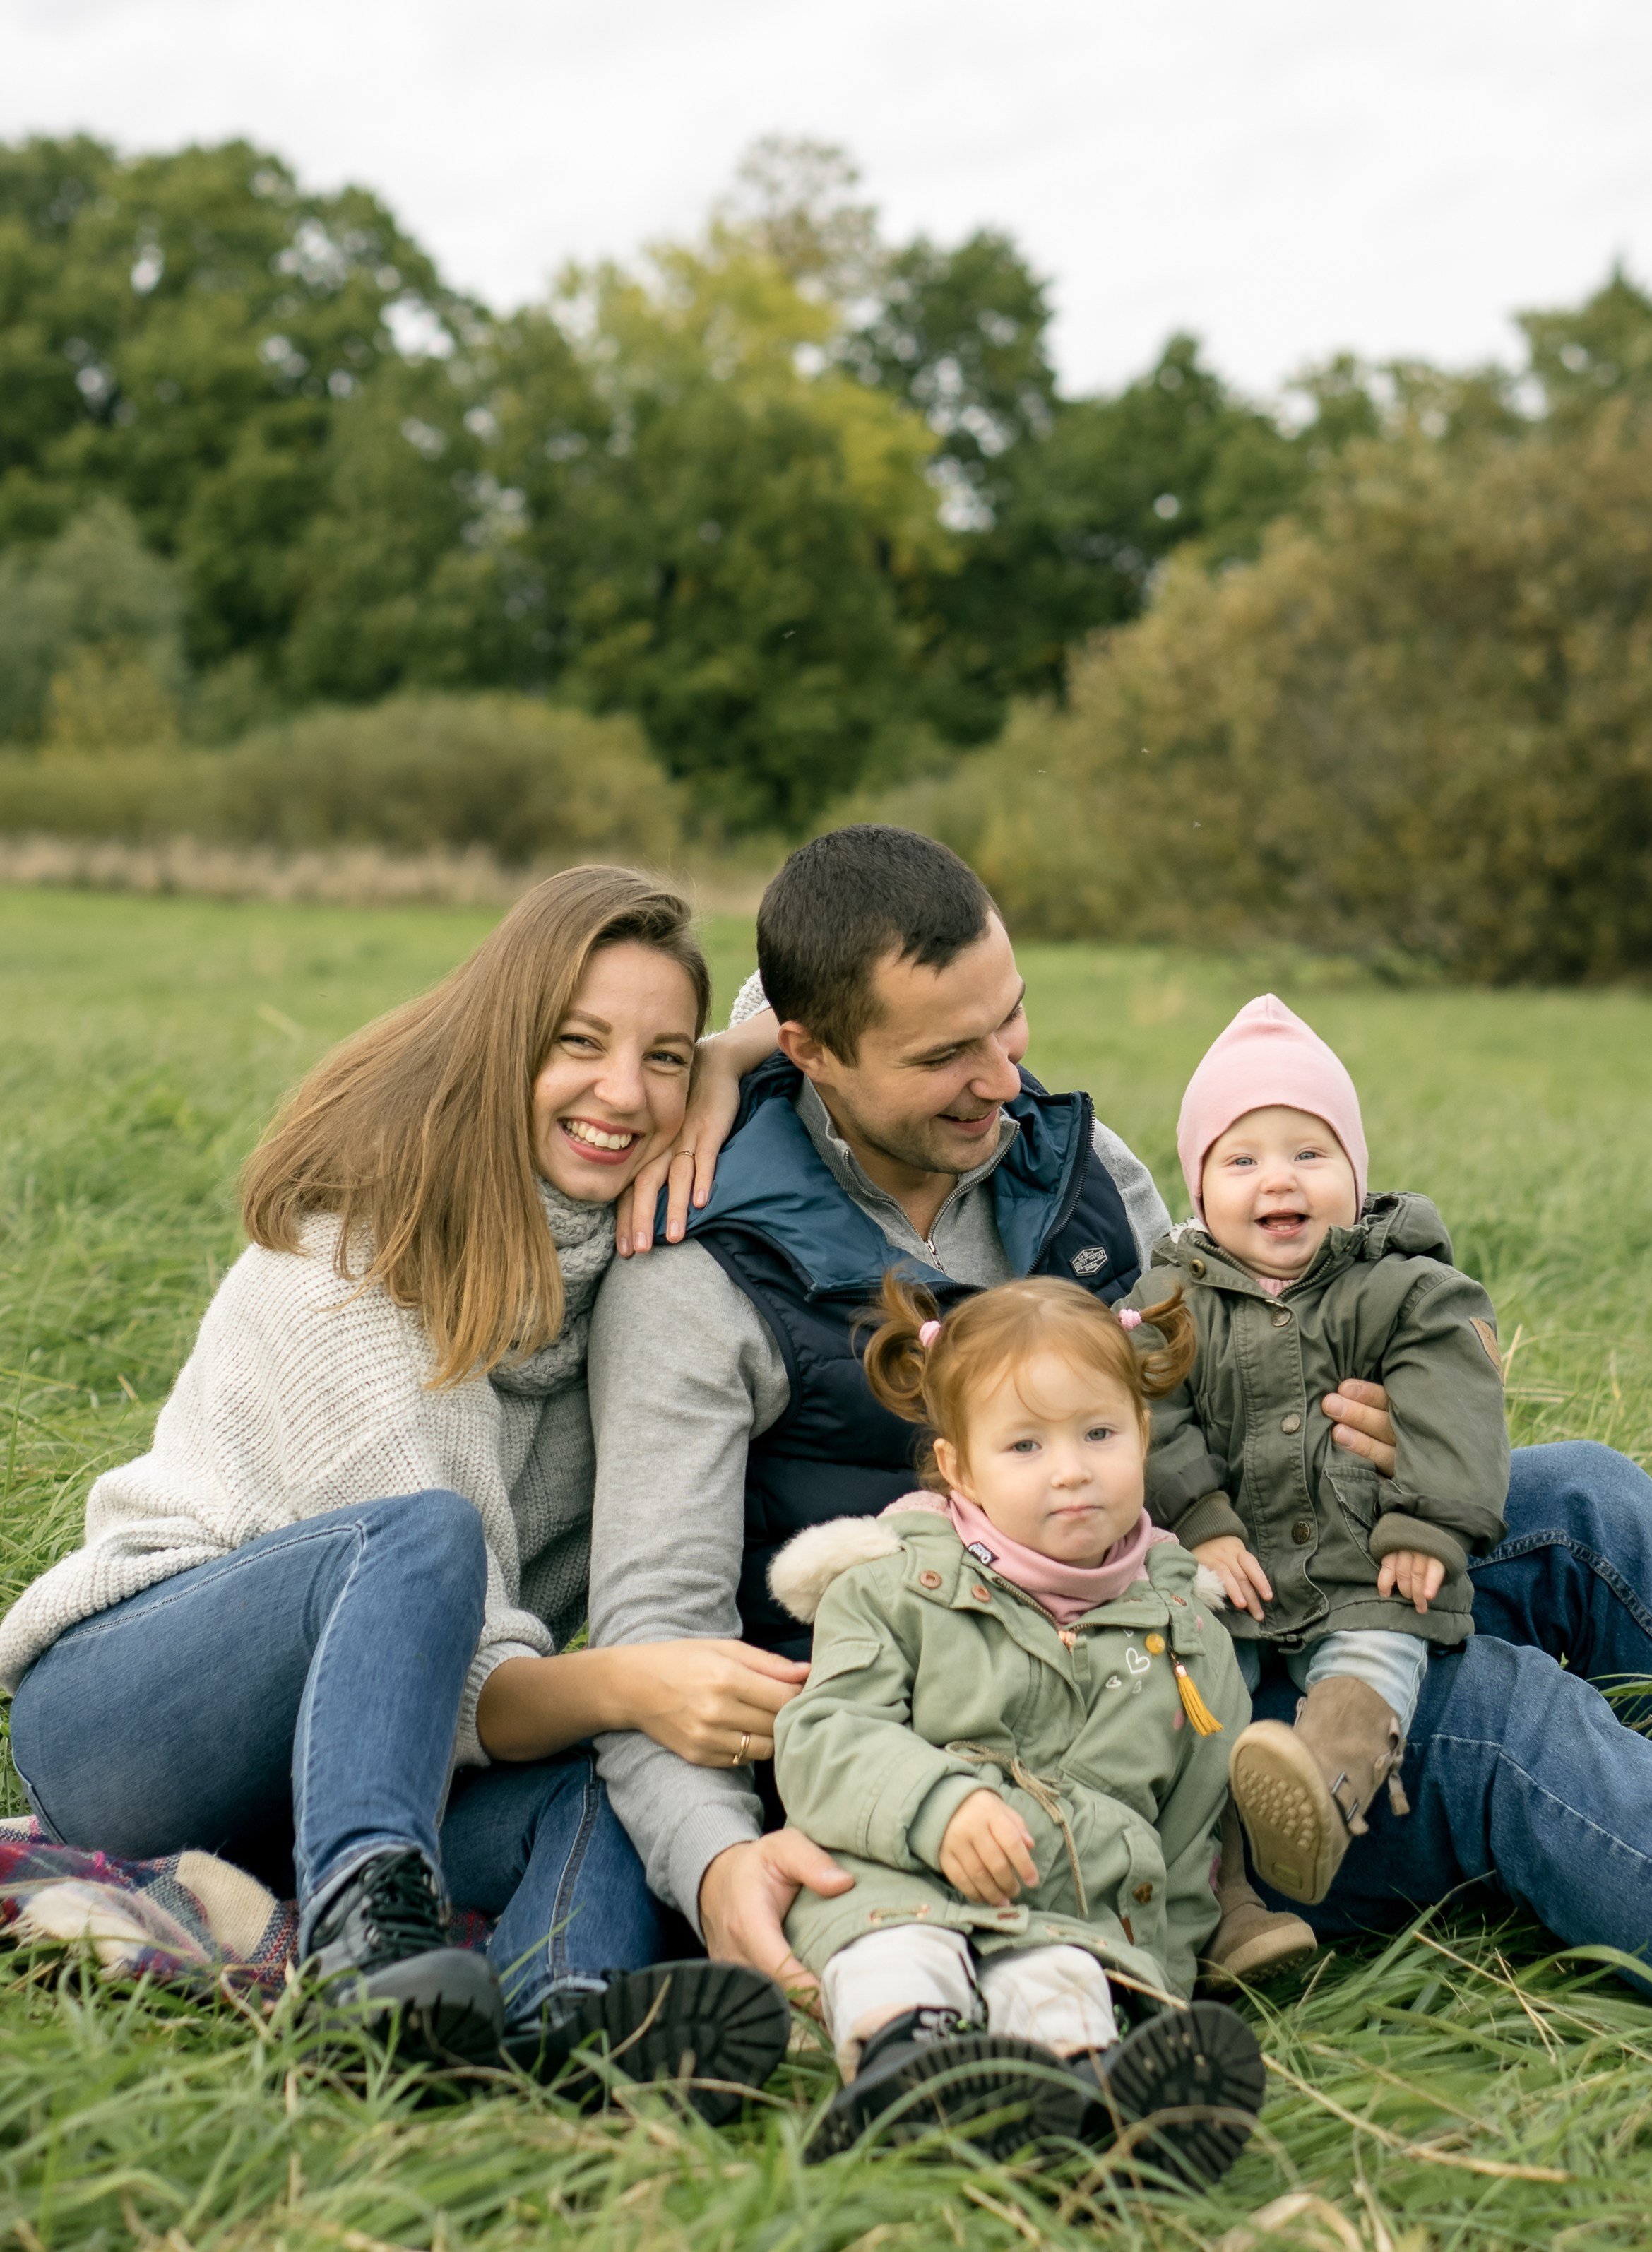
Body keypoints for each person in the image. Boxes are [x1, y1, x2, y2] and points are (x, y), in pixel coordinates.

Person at [587, 823, 1652, 2003]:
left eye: (1012, 1019)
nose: (1002, 1079)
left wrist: (1401, 1416)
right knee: (1492, 1717)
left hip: (1199, 1592)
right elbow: (655, 1635)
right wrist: (716, 1863)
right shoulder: (696, 1271)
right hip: (1027, 1748)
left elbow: (1222, 1380)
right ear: (810, 1052)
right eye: (947, 1054)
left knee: (1584, 1505)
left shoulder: (1070, 1157)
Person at [0, 866, 793, 2106]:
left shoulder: (628, 1259)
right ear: (500, 1041)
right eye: (576, 1045)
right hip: (138, 1719)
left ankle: (563, 2027)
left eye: (661, 1059)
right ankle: (368, 1940)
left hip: (373, 1756)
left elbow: (824, 995)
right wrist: (636, 1679)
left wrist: (735, 1056)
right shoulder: (364, 1253)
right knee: (428, 1542)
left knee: (610, 1787)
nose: (623, 1094)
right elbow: (468, 1654)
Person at [768, 1271, 1264, 2179]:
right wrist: (936, 1805)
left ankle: (1089, 2099)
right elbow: (822, 1736)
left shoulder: (1185, 1628)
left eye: (1099, 1433)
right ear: (958, 1468)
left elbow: (1194, 1828)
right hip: (900, 1878)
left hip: (1068, 1906)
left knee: (1062, 1980)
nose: (1070, 1468)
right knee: (898, 1953)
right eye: (1025, 1445)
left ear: (1142, 1436)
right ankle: (905, 2068)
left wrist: (1157, 1966)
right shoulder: (891, 1588)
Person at [1136, 995, 1509, 1923]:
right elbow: (1150, 1416)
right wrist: (1200, 1524)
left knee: (1373, 1666)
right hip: (1233, 1580)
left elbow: (1451, 1400)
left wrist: (1425, 1523)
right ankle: (1218, 1895)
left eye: (1309, 1153)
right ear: (1197, 1186)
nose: (1279, 1181)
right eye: (1242, 1159)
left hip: (1359, 1564)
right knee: (1179, 1694)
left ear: (1353, 1170)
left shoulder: (1400, 1286)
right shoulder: (1169, 1297)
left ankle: (1321, 1801)